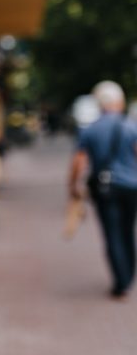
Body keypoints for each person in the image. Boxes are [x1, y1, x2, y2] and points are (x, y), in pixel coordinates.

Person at [70, 80, 137, 300]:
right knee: (127, 232)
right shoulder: (131, 126)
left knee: (113, 234)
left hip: (105, 189)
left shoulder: (91, 129)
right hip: (131, 187)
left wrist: (73, 186)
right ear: (119, 101)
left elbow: (79, 162)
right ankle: (128, 276)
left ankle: (121, 282)